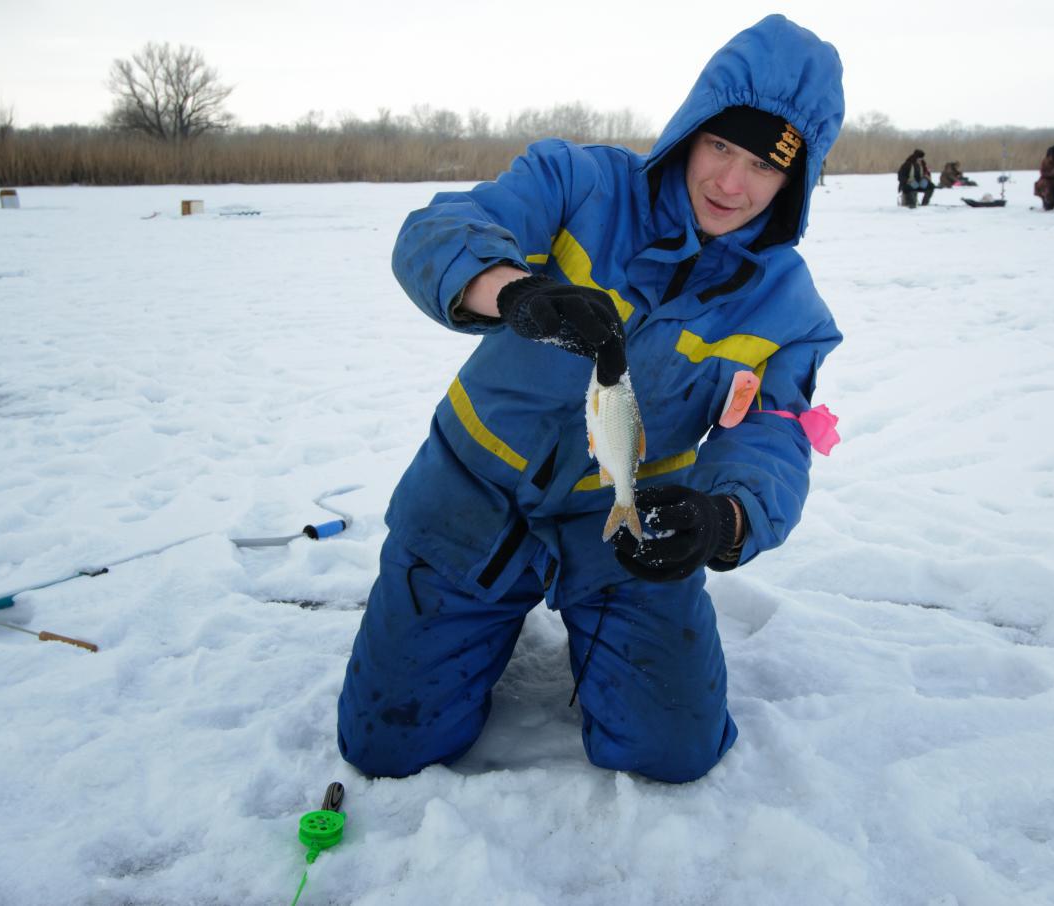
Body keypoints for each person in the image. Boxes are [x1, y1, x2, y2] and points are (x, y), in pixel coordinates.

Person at [336, 15, 845, 784]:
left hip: (623, 523)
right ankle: (467, 623)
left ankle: (608, 633)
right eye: (720, 147)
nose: (731, 184)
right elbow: (440, 229)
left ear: (794, 180)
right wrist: (512, 293)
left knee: (672, 753)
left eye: (763, 168)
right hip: (470, 499)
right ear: (691, 130)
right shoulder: (579, 184)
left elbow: (773, 435)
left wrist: (723, 517)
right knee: (388, 746)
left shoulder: (787, 309)